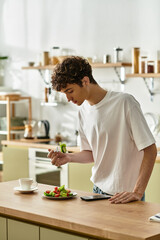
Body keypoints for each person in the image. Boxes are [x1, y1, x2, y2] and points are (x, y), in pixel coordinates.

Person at [48, 56, 157, 204]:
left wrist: (138, 191)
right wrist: (69, 157)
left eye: (70, 91)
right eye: (64, 93)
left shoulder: (124, 103)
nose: (68, 98)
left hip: (126, 195)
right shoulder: (83, 112)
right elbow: (91, 153)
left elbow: (150, 149)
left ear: (85, 81)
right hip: (97, 191)